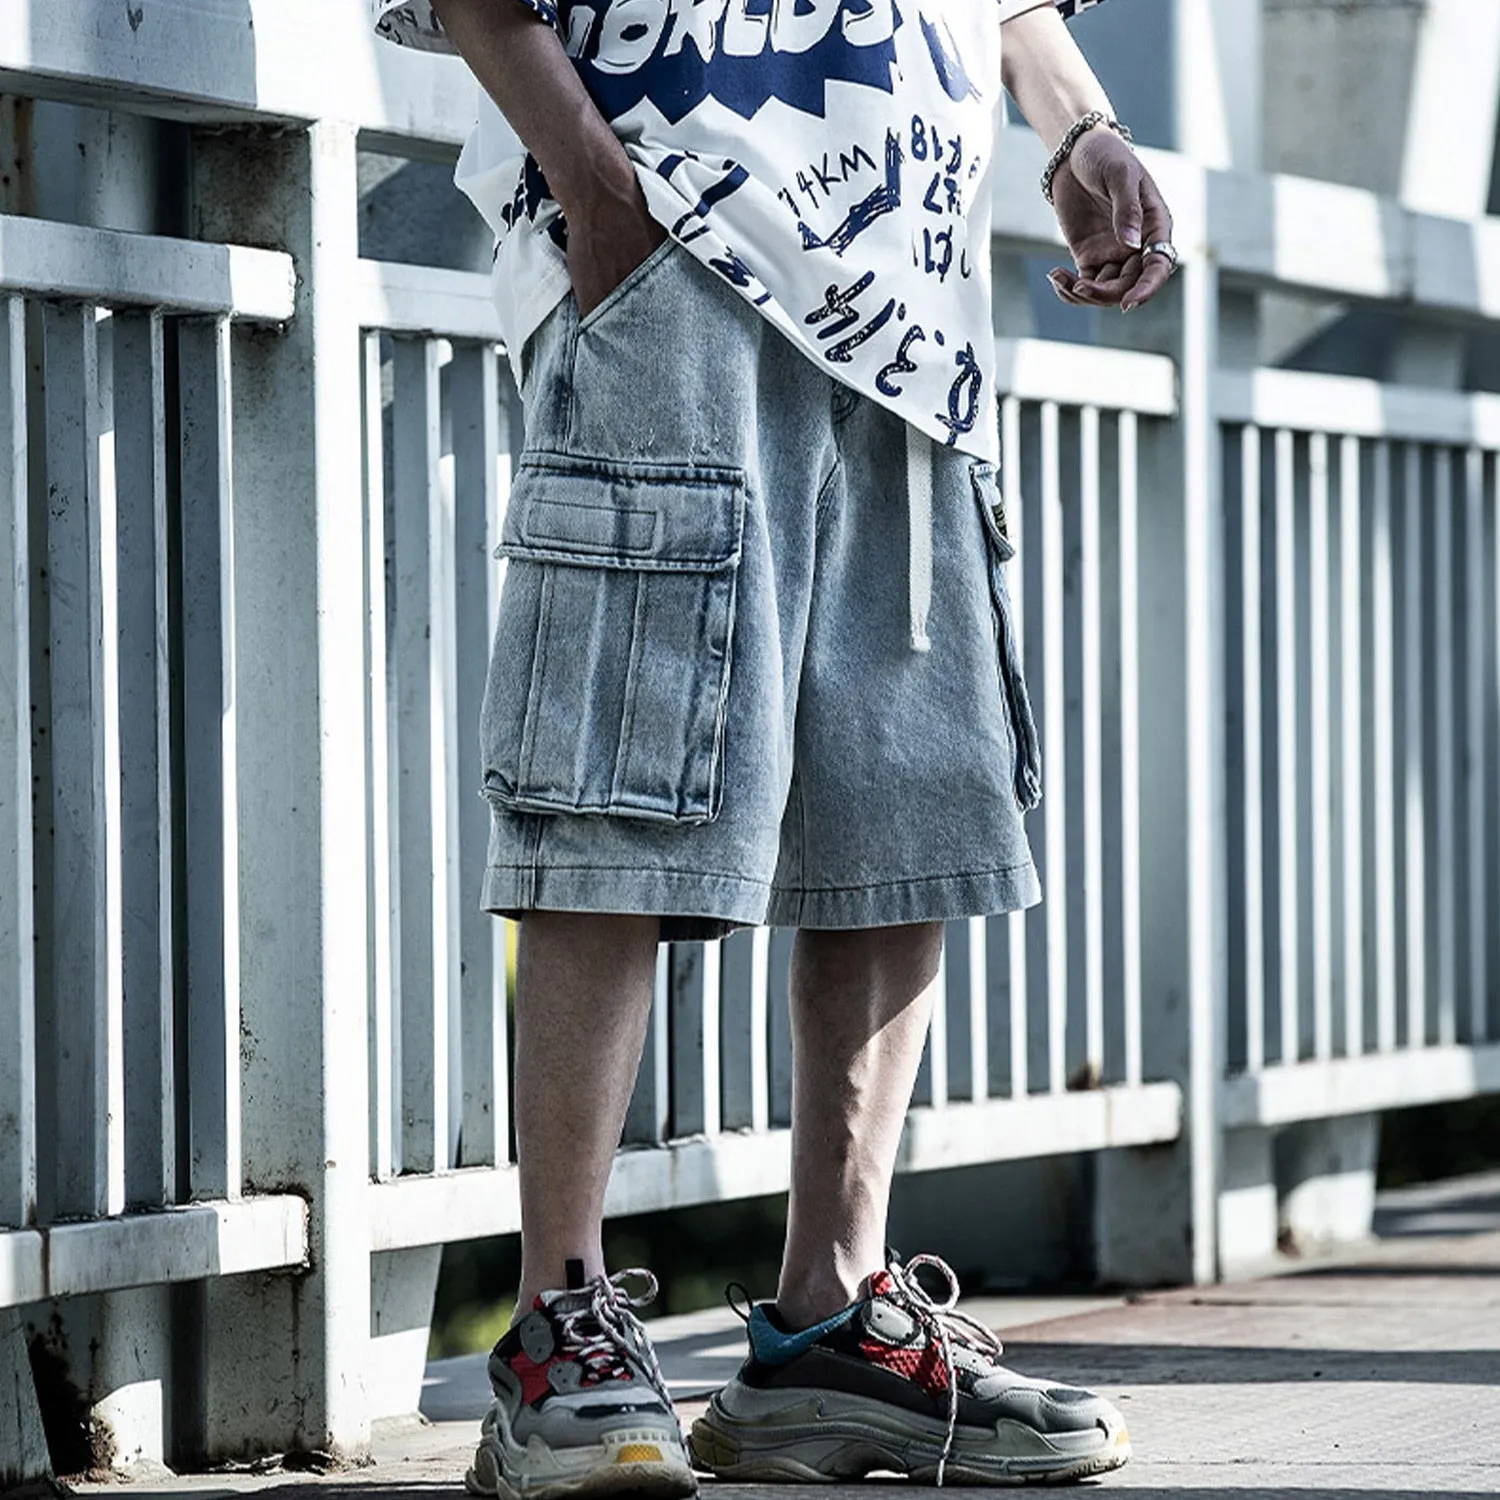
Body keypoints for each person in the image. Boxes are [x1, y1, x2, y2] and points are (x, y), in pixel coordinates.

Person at [372, 0, 1176, 1492]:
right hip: (675, 236)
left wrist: (1077, 127)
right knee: (622, 768)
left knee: (902, 799)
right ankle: (559, 1323)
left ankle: (834, 1322)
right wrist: (600, 196)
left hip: (913, 297)